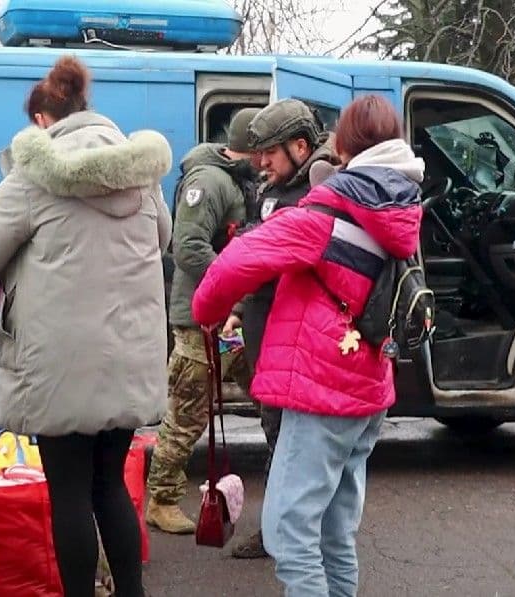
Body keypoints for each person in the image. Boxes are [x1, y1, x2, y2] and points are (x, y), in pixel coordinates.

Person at [0, 55, 172, 597]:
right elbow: (162, 239)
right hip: (129, 351)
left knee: (70, 491)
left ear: (42, 121)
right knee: (109, 486)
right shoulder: (141, 172)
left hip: (60, 361)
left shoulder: (32, 176)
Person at [191, 94, 424, 596]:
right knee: (336, 532)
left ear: (345, 148)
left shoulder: (324, 216)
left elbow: (235, 263)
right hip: (367, 385)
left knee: (288, 532)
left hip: (322, 388)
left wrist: (206, 313)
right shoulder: (399, 206)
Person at [227, 99, 340, 559]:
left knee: (296, 441)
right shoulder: (273, 189)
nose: (261, 162)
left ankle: (288, 533)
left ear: (300, 147)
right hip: (268, 334)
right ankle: (282, 529)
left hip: (296, 342)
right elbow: (255, 253)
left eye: (270, 152)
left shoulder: (320, 195)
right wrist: (239, 306)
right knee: (275, 432)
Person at [142, 108, 260, 535]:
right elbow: (188, 246)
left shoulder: (237, 181)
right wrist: (231, 285)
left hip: (233, 316)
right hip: (203, 320)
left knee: (268, 398)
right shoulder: (210, 182)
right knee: (188, 413)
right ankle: (161, 499)